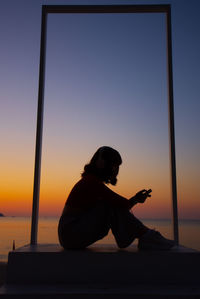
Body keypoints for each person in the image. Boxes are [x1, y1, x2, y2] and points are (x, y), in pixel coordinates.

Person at [58, 146, 175, 250]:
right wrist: (135, 199)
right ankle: (147, 236)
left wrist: (135, 199)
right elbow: (120, 204)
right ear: (102, 163)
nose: (116, 170)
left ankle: (146, 235)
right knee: (108, 206)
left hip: (70, 235)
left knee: (109, 205)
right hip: (70, 235)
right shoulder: (91, 182)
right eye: (114, 165)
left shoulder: (91, 181)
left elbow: (120, 204)